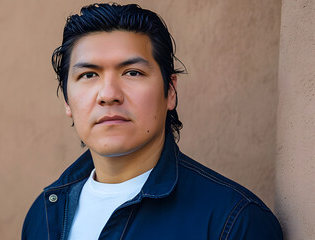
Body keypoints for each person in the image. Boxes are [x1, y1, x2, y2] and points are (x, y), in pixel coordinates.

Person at [22, 3, 283, 240]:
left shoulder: (234, 221)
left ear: (170, 91)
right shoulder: (44, 215)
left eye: (132, 72)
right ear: (67, 100)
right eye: (89, 75)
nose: (109, 95)